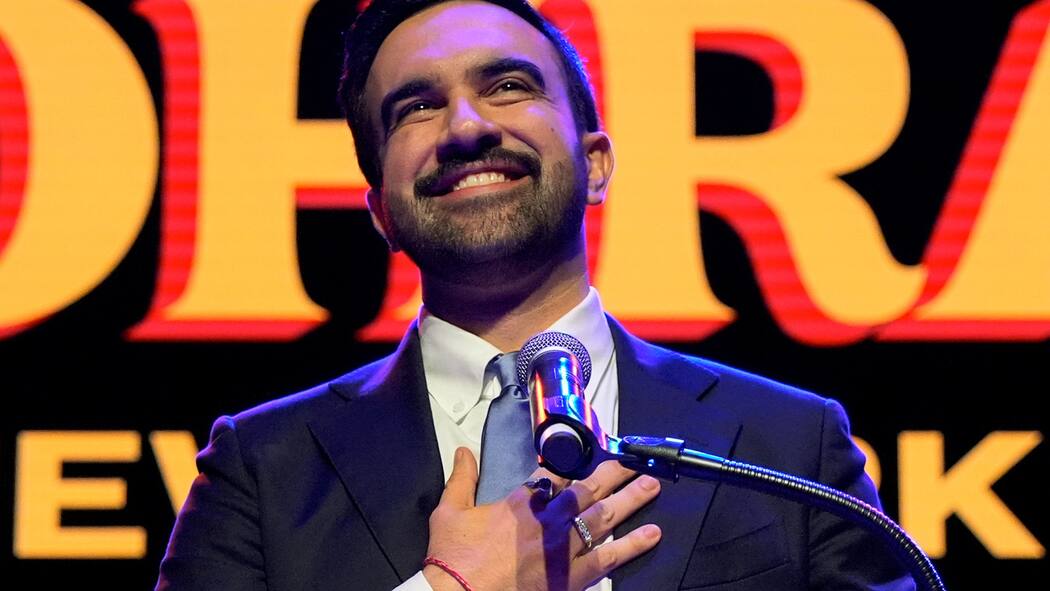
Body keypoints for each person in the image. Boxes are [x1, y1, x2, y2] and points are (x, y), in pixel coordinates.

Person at [156, 1, 915, 590]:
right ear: (382, 212)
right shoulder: (262, 470)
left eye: (509, 85)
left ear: (595, 164)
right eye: (416, 107)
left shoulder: (789, 443)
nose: (465, 126)